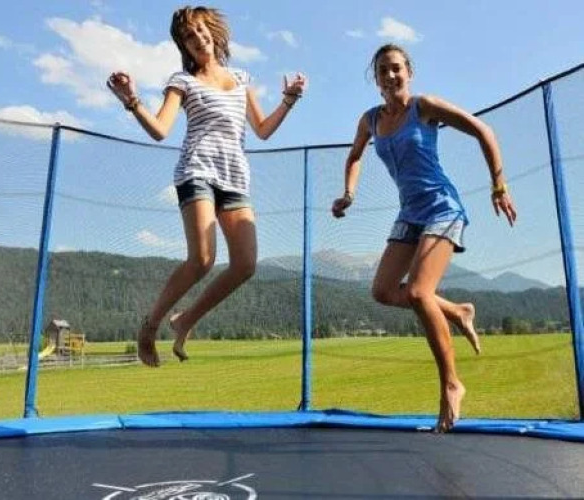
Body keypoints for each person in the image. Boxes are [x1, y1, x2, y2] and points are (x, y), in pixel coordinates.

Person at [107, 6, 307, 367]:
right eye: (189, 36)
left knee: (245, 265)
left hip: (235, 177)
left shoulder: (240, 77)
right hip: (196, 171)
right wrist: (132, 101)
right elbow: (160, 130)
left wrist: (289, 101)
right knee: (202, 259)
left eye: (200, 30)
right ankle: (149, 326)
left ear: (212, 32)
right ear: (183, 46)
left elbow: (262, 130)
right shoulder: (182, 81)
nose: (197, 38)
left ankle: (186, 320)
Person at [331, 44, 517, 432]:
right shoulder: (370, 120)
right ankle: (458, 312)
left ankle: (451, 383)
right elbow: (354, 156)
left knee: (418, 293)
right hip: (410, 214)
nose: (390, 76)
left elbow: (483, 131)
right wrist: (349, 194)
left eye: (396, 68)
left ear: (409, 72)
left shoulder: (424, 107)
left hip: (442, 208)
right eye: (383, 71)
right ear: (376, 79)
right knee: (382, 291)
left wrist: (498, 185)